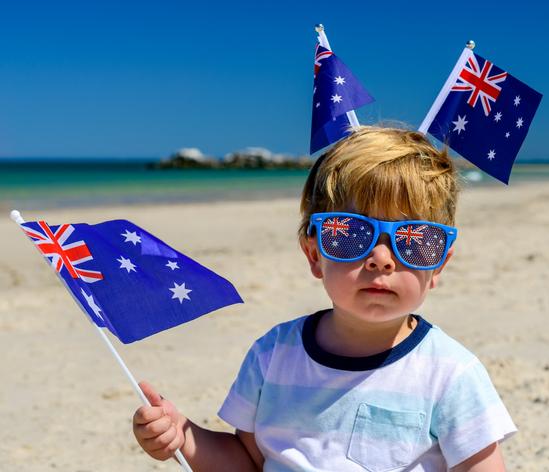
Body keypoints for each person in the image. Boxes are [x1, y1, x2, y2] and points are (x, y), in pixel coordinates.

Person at [132, 127, 517, 471]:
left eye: (415, 241)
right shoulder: (273, 355)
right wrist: (184, 436)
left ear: (439, 265)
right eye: (349, 234)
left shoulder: (450, 373)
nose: (381, 258)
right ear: (315, 254)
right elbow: (247, 460)